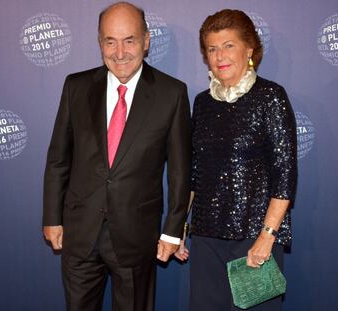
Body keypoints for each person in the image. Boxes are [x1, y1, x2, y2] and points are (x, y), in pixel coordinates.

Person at [42, 2, 191, 310]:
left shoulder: (171, 93)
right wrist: (52, 217)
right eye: (110, 41)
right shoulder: (76, 87)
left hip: (137, 236)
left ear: (146, 41)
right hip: (80, 233)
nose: (119, 52)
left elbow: (179, 171)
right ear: (100, 43)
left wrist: (173, 230)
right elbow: (59, 158)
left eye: (129, 40)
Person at [175, 9, 297, 311]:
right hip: (205, 240)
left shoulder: (270, 96)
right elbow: (195, 173)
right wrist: (180, 228)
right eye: (212, 48)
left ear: (250, 49)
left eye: (229, 45)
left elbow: (285, 174)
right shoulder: (202, 103)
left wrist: (267, 237)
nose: (219, 56)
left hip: (254, 240)